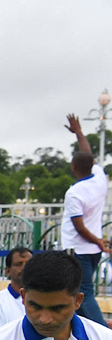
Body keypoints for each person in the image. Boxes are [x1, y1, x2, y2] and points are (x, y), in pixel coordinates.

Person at [59, 112, 110, 327]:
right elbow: (87, 152)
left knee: (82, 293)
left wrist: (96, 241)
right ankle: (85, 331)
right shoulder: (100, 177)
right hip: (92, 250)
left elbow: (78, 226)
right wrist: (78, 132)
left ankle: (104, 336)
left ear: (73, 167)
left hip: (77, 248)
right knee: (81, 291)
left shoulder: (75, 192)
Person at [0, 247, 32, 333]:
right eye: (19, 264)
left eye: (28, 264)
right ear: (8, 271)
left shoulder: (45, 299)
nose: (24, 267)